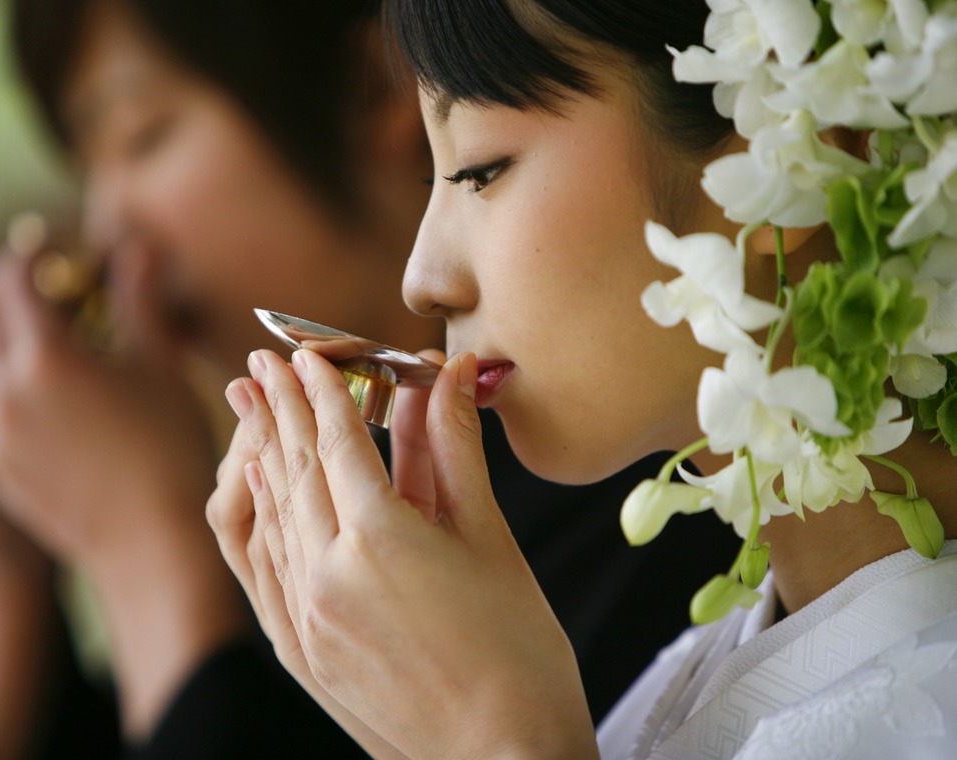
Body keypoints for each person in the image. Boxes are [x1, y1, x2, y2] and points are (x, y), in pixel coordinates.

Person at [0, 0, 737, 758]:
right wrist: (6, 568)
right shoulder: (337, 511)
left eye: (143, 135)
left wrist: (148, 550)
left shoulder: (651, 470)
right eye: (84, 165)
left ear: (373, 85)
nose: (107, 229)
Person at [206, 0, 957, 758]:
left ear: (785, 154)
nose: (422, 282)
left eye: (479, 170)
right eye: (436, 176)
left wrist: (498, 735)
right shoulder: (711, 669)